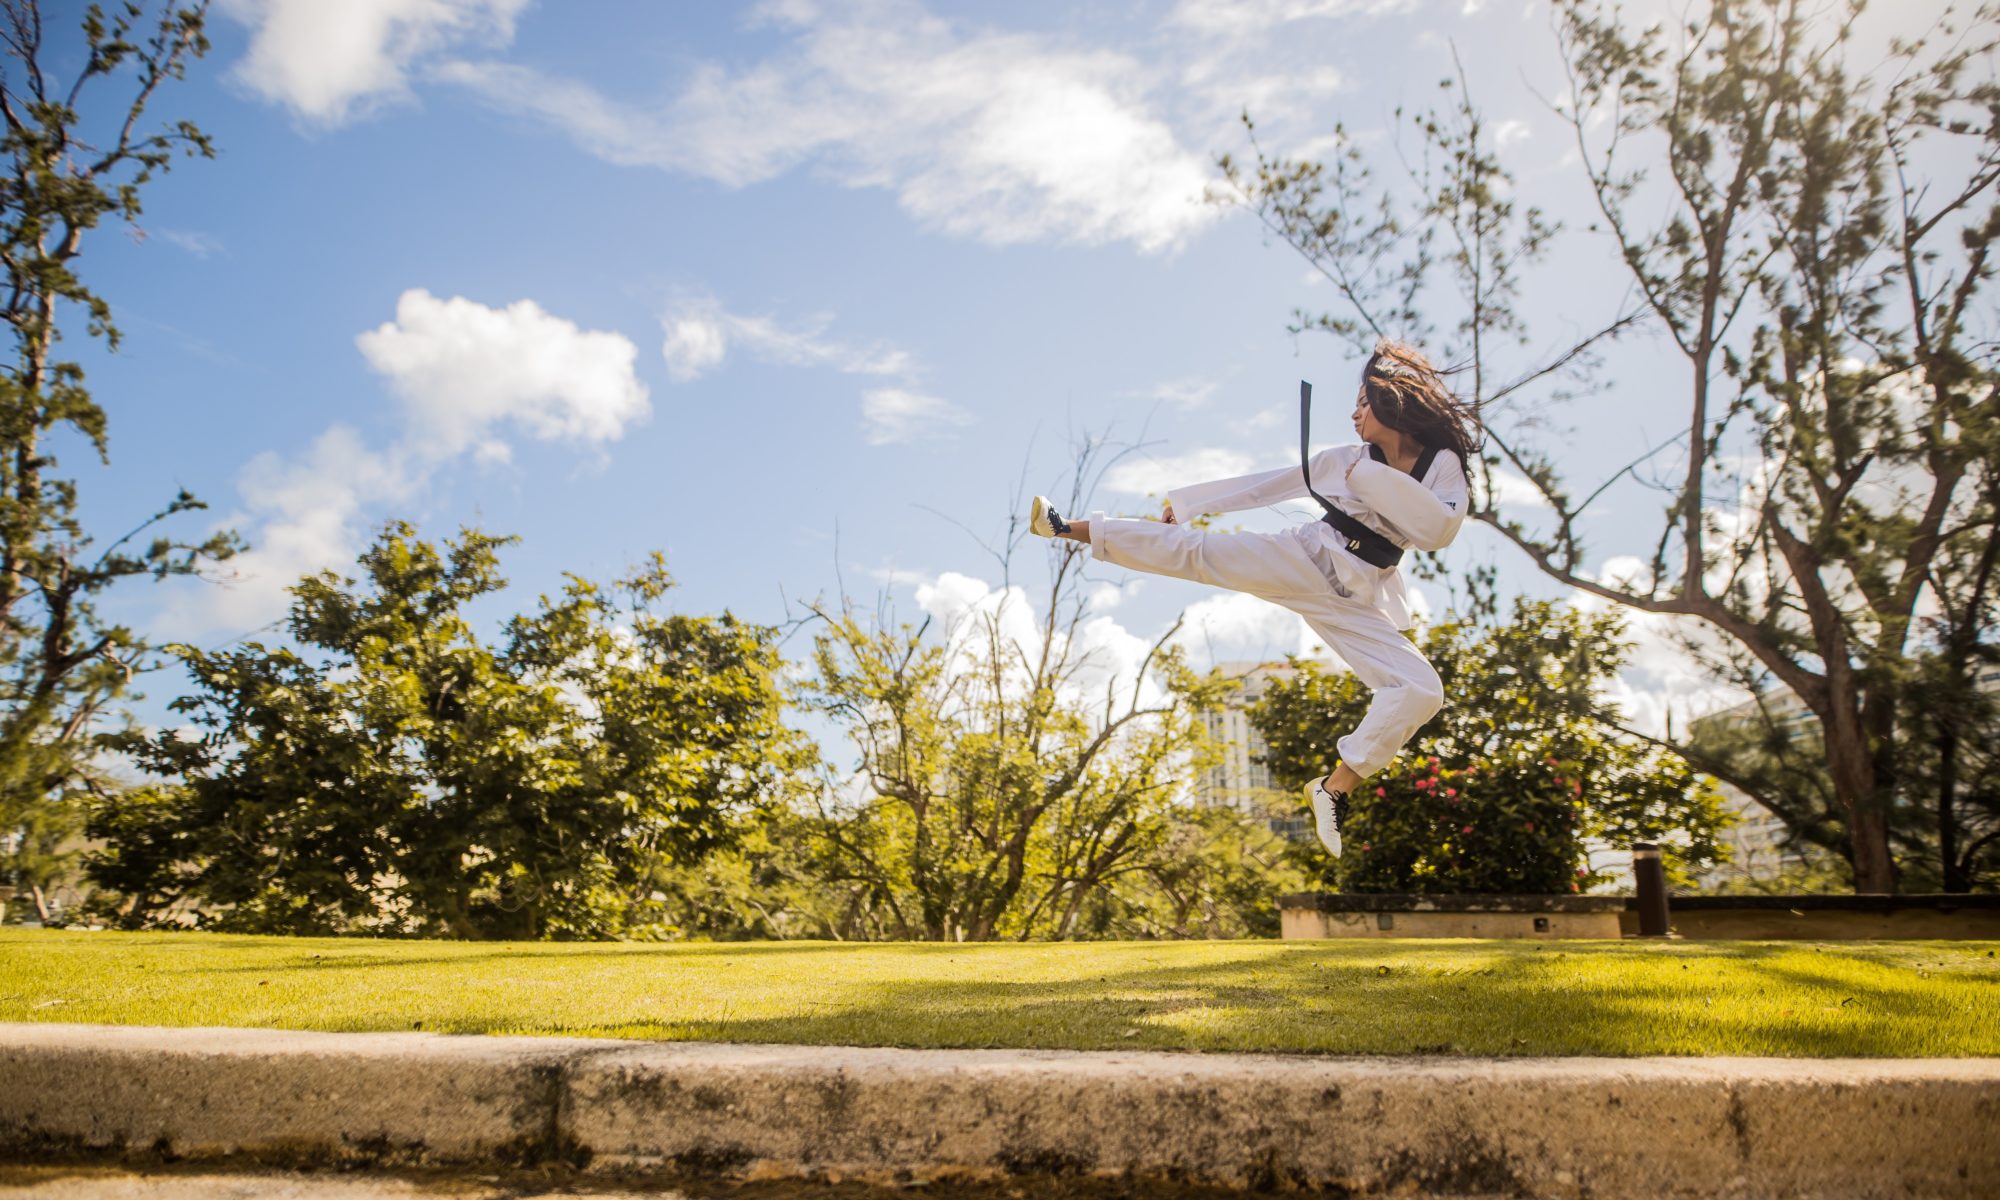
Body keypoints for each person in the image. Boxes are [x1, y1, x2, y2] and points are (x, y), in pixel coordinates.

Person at [1026, 341, 1480, 857]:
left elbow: (1437, 529)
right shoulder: (1344, 461)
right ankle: (1068, 527)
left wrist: (1369, 478)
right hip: (1308, 558)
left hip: (1356, 594)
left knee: (1421, 689)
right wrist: (1193, 501)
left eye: (1362, 404)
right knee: (1197, 554)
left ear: (1390, 403)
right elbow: (1271, 485)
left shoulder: (1441, 465)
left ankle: (1333, 790)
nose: (1354, 414)